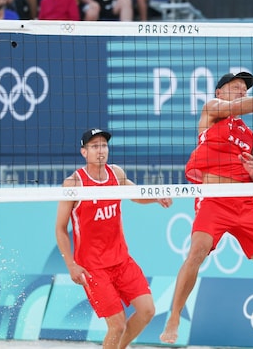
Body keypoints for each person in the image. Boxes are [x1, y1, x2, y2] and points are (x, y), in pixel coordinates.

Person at [159, 72, 253, 349]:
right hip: (214, 200)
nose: (242, 92)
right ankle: (174, 316)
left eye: (244, 89)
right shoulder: (212, 110)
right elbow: (233, 108)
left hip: (244, 204)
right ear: (220, 92)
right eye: (236, 87)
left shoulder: (249, 136)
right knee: (198, 251)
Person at [55, 128, 172, 349]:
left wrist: (155, 197)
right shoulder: (74, 183)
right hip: (93, 267)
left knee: (148, 310)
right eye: (95, 146)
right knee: (117, 325)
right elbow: (60, 229)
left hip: (121, 260)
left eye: (104, 146)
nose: (101, 151)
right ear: (84, 152)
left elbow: (136, 196)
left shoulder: (116, 174)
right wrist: (71, 265)